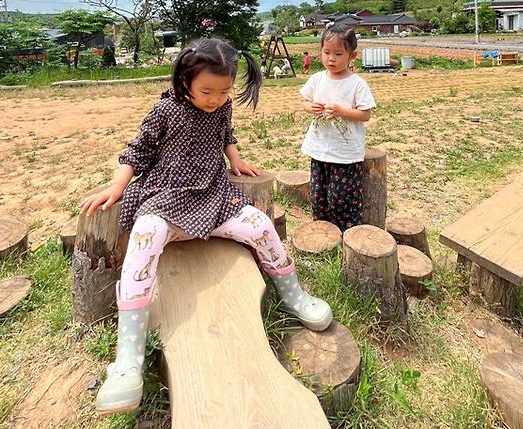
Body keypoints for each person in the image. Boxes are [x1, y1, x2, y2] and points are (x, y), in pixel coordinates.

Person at [79, 37, 333, 415]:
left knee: (261, 225)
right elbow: (137, 149)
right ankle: (127, 359)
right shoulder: (165, 110)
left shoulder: (222, 106)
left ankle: (294, 295)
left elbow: (225, 135)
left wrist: (237, 160)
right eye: (206, 91)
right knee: (143, 242)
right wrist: (118, 185)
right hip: (166, 196)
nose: (215, 98)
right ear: (184, 80)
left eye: (224, 91)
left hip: (214, 195)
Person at [299, 23, 376, 232]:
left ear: (353, 55)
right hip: (319, 149)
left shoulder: (357, 84)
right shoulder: (317, 79)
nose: (331, 59)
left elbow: (365, 114)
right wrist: (311, 107)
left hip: (345, 154)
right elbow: (304, 102)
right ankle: (322, 233)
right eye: (326, 52)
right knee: (318, 194)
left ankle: (345, 233)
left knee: (341, 198)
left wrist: (342, 111)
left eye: (338, 54)